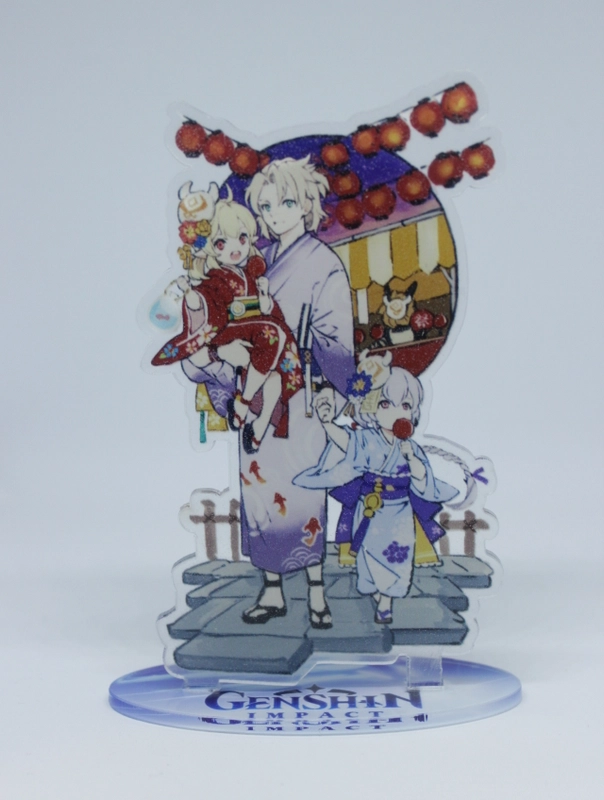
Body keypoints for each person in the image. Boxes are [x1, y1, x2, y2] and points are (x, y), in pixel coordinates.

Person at [182, 156, 355, 629]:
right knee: (260, 493)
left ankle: (317, 592)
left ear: (307, 204)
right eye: (265, 206)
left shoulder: (323, 264)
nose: (275, 214)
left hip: (300, 398)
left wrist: (333, 390)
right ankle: (273, 589)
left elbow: (336, 340)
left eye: (286, 203)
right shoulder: (252, 262)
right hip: (254, 393)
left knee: (303, 492)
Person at [294, 354, 459, 624]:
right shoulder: (367, 439)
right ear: (371, 406)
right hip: (369, 510)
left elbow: (422, 478)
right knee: (368, 556)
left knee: (397, 557)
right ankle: (378, 593)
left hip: (399, 512)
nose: (396, 412)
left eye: (405, 405)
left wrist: (411, 459)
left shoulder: (410, 447)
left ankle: (386, 602)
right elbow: (347, 441)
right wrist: (327, 424)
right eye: (385, 404)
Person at [152, 194, 304, 451]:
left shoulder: (251, 277)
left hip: (256, 336)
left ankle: (258, 427)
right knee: (272, 333)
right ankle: (243, 403)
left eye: (242, 239)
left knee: (276, 377)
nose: (235, 248)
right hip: (228, 331)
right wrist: (189, 293)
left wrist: (264, 295)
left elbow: (268, 310)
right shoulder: (214, 280)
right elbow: (200, 304)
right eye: (222, 243)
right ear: (210, 247)